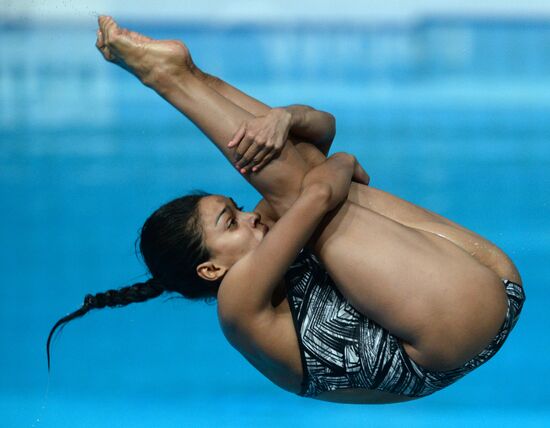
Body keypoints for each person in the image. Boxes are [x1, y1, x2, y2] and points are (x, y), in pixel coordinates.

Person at [46, 16, 525, 404]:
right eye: (230, 222)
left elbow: (324, 135)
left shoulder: (268, 229)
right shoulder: (238, 305)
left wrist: (288, 118)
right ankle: (168, 80)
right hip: (456, 332)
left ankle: (194, 77)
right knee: (300, 192)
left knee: (302, 165)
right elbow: (317, 193)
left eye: (235, 207)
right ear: (211, 268)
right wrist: (339, 163)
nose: (249, 215)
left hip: (484, 284)